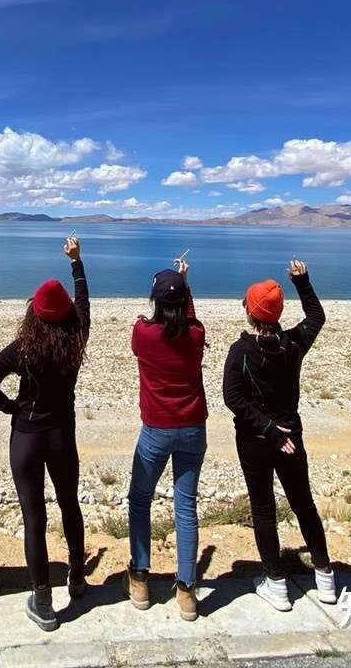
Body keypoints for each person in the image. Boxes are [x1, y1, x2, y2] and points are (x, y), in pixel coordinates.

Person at [0, 235, 91, 631]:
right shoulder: (76, 339)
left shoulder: (22, 348)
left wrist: (12, 408)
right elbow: (83, 305)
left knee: (34, 517)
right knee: (69, 504)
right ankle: (77, 578)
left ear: (33, 314)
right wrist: (76, 262)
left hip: (26, 436)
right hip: (62, 434)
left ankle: (43, 602)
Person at [221, 259, 337, 610]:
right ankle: (326, 577)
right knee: (303, 503)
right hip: (291, 438)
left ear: (249, 312)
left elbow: (233, 397)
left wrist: (267, 429)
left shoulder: (241, 352)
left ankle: (276, 583)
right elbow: (316, 317)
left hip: (257, 441)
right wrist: (303, 282)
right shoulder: (292, 344)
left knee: (263, 509)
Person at [126, 254, 207, 622]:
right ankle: (187, 590)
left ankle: (141, 577)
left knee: (140, 499)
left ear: (155, 301)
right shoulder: (196, 335)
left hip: (156, 431)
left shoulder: (143, 334)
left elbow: (167, 316)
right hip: (192, 429)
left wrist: (180, 286)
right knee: (185, 506)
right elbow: (187, 318)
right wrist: (185, 284)